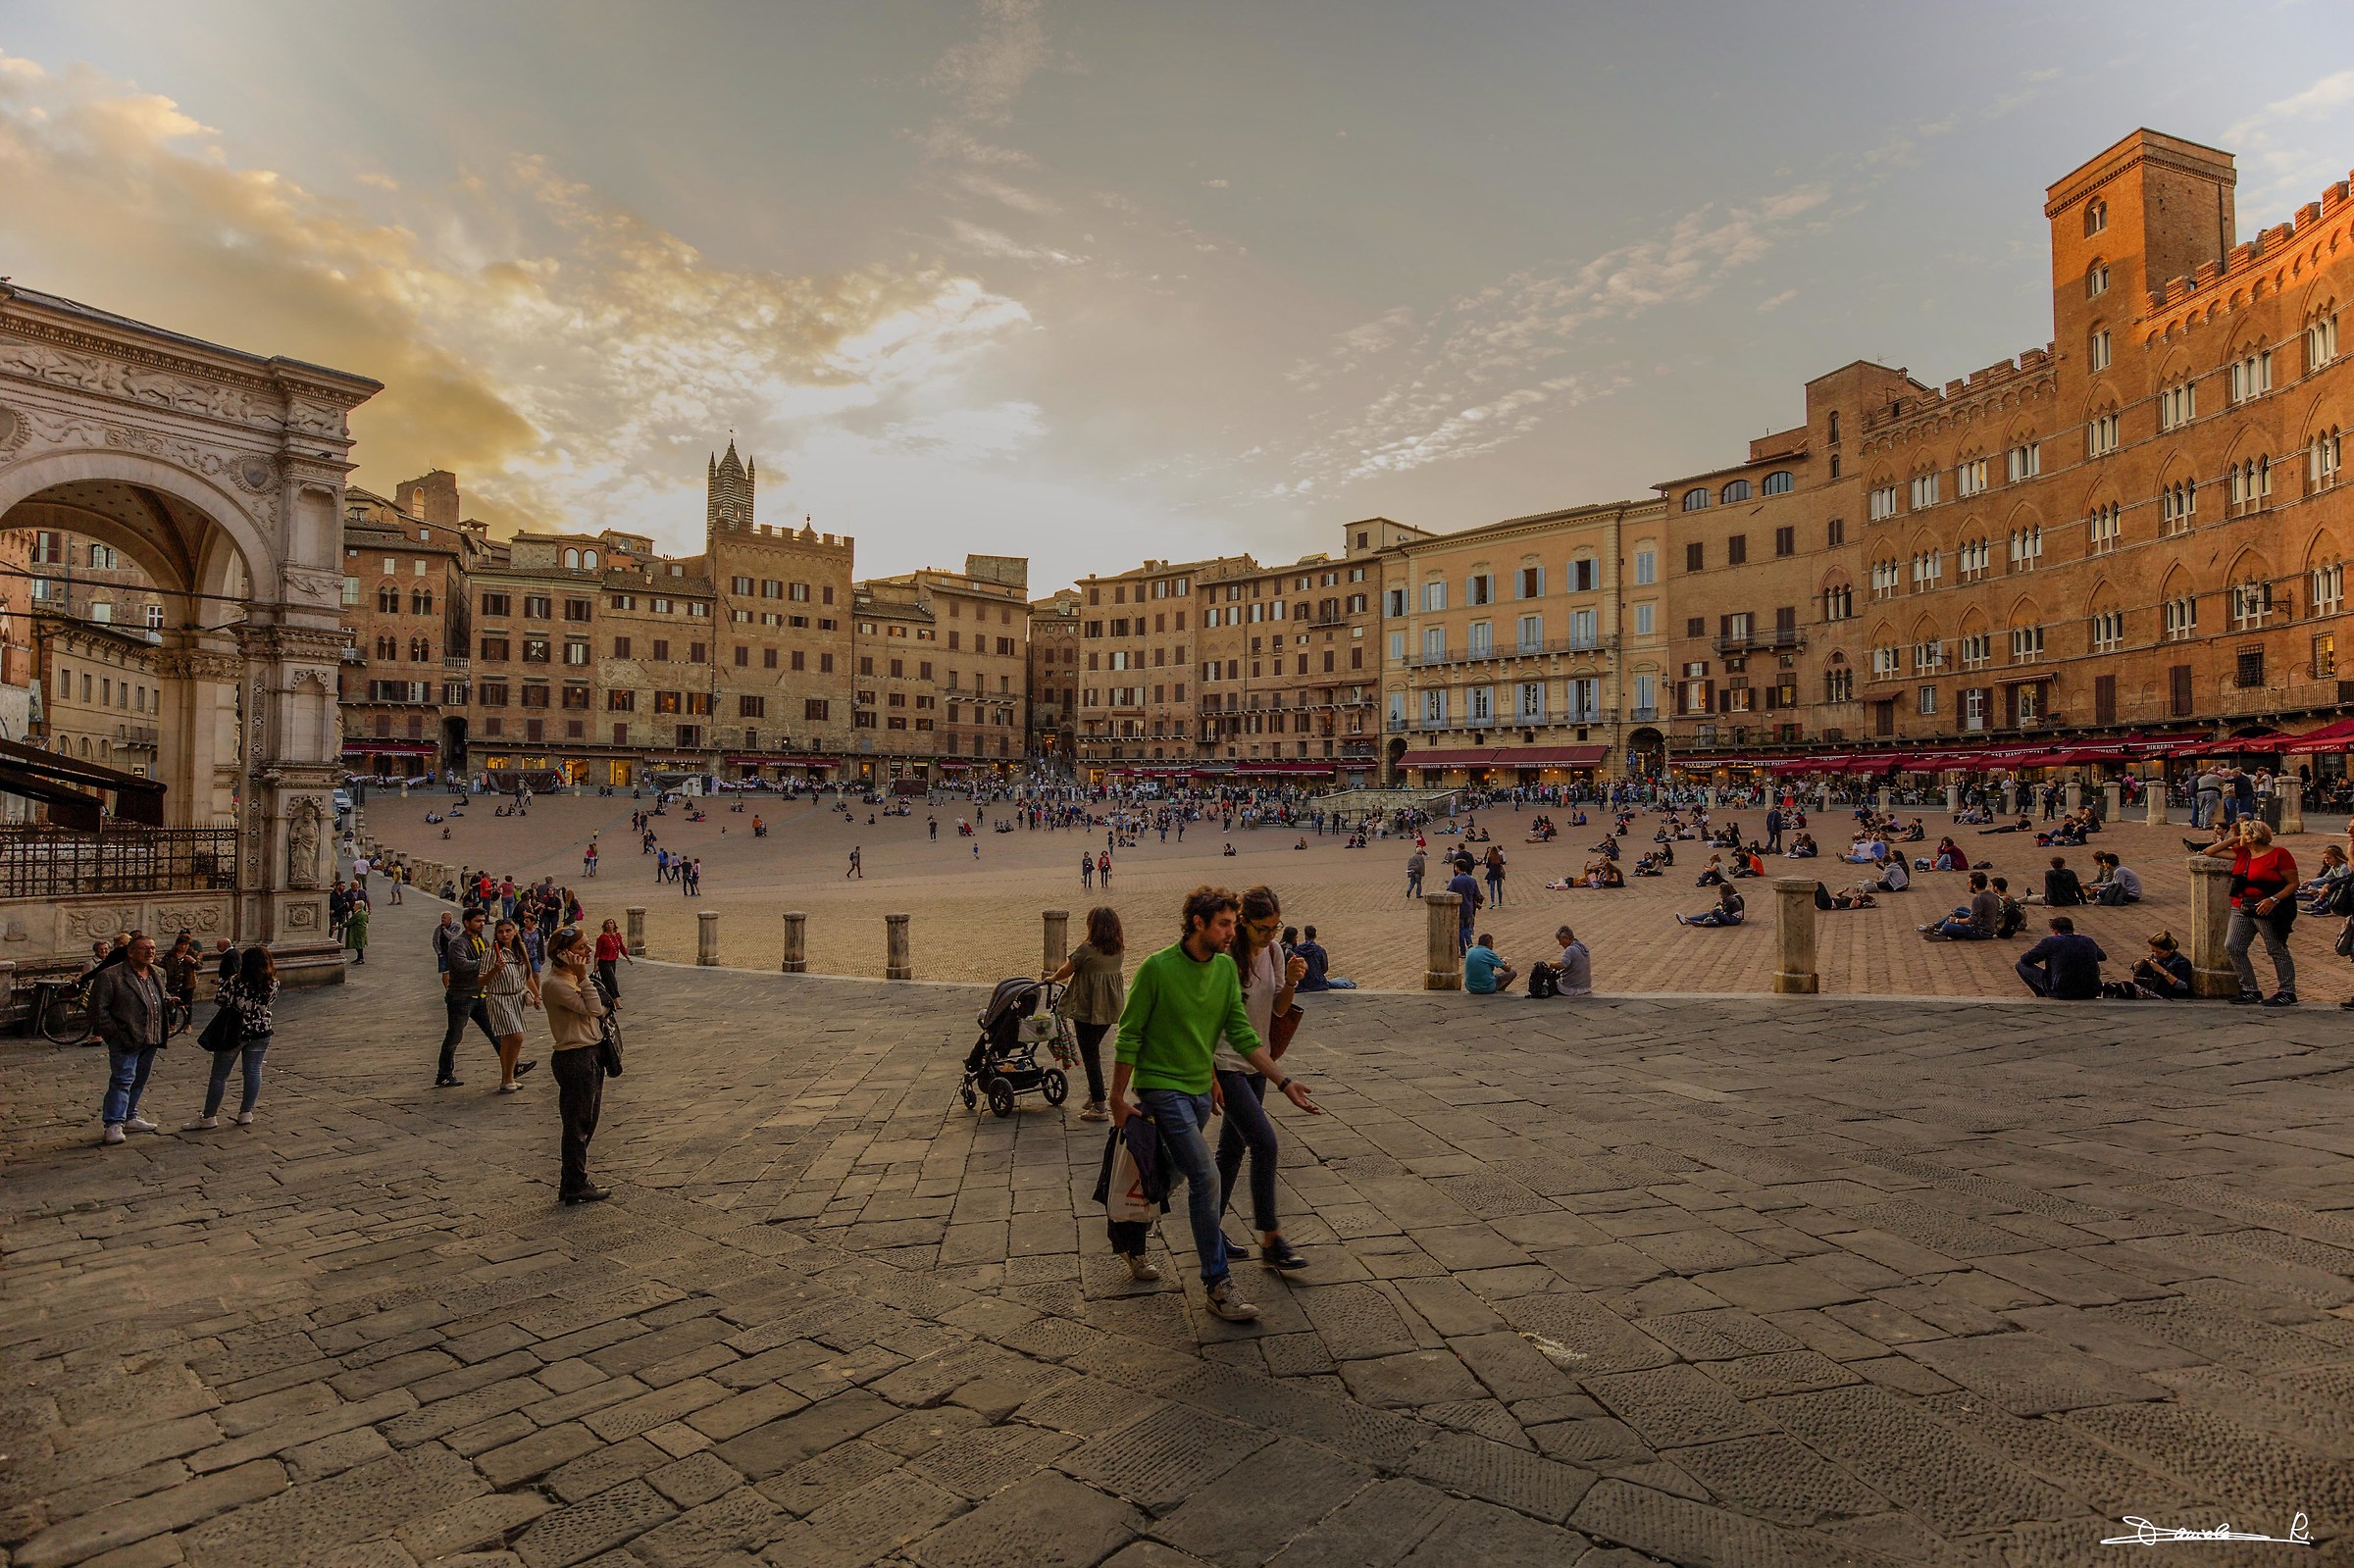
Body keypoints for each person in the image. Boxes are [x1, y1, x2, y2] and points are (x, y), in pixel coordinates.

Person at [1108, 887, 1321, 1324]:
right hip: (1161, 1088)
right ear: (1199, 924)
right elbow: (1129, 1035)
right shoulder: (1156, 968)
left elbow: (1243, 1036)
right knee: (1207, 1174)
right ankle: (1217, 1284)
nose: (1231, 931)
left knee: (1173, 1173)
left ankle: (1131, 1228)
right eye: (1224, 923)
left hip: (1202, 1091)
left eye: (1233, 922)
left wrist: (1283, 1081)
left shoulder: (1225, 969)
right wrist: (1115, 1098)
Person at [1213, 886, 1311, 1275]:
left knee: (1231, 1153)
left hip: (1259, 1061)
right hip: (1226, 1063)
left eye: (1275, 927)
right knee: (1265, 1143)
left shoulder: (1274, 952)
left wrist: (1290, 982)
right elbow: (1208, 1019)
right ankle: (1271, 1239)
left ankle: (1210, 1227)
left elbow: (1278, 1009)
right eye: (1262, 929)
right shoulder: (1224, 959)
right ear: (1242, 922)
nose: (1270, 935)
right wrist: (1208, 1074)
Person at [540, 928, 613, 1204]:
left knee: (587, 1122)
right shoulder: (556, 984)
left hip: (590, 1054)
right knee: (577, 1125)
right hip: (575, 1057)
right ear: (563, 953)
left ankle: (571, 1180)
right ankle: (576, 1183)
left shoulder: (569, 979)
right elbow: (595, 1008)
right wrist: (584, 978)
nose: (588, 952)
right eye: (582, 948)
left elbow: (604, 1004)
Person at [2204, 820, 2299, 1005]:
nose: (2237, 836)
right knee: (2234, 946)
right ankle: (2250, 989)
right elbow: (2210, 851)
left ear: (2253, 836)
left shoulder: (2279, 854)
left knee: (2276, 949)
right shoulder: (2243, 853)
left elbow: (2293, 883)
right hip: (2241, 906)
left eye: (2242, 833)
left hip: (2267, 907)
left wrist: (2274, 899)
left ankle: (2287, 991)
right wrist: (2238, 839)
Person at [89, 932, 169, 1145]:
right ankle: (113, 1123)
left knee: (139, 1078)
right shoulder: (110, 976)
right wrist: (115, 1034)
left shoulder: (158, 973)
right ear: (131, 952)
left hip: (151, 1035)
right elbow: (98, 1010)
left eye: (152, 948)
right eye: (145, 948)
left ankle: (130, 1115)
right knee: (122, 1079)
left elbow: (154, 997)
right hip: (125, 1037)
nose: (150, 952)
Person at [1049, 906, 1127, 1123]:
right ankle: (1095, 1096)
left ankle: (1100, 1104)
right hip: (1110, 1010)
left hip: (1087, 1010)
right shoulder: (1118, 950)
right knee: (1093, 1051)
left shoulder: (1086, 949)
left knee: (1091, 1057)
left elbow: (1067, 970)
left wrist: (1052, 979)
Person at [189, 945, 278, 1130]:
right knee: (253, 1071)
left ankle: (209, 1116)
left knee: (220, 1075)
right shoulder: (273, 983)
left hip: (234, 1031)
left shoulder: (235, 981)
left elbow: (221, 1000)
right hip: (261, 1030)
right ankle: (246, 1112)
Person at [2016, 915, 2107, 999]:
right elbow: (2102, 956)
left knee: (2020, 965)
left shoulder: (2050, 942)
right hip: (2091, 991)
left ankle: (2042, 995)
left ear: (2054, 931)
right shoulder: (2087, 940)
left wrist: (2046, 955)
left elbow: (2025, 959)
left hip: (2062, 991)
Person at [1920, 871, 1999, 940]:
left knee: (1948, 926)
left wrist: (1956, 921)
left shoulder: (1978, 899)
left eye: (1969, 883)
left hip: (1981, 931)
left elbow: (1973, 920)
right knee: (1959, 911)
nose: (1968, 885)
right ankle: (1935, 926)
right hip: (1988, 926)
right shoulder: (1992, 895)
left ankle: (1942, 933)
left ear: (1974, 885)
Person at [2125, 931, 2194, 999]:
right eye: (2153, 951)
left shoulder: (2182, 962)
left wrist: (2162, 971)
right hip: (2152, 990)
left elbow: (2183, 986)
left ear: (2170, 950)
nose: (2155, 954)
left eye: (2159, 952)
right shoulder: (2155, 957)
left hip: (2170, 994)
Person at [1529, 925, 1592, 998]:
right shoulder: (1582, 947)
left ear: (1566, 938)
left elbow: (1562, 964)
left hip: (1572, 988)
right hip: (1586, 987)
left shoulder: (1570, 949)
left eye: (1560, 940)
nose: (1560, 944)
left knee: (1547, 983)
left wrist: (1552, 964)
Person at [1292, 926, 1355, 990]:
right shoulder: (1320, 950)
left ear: (1305, 936)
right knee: (1340, 981)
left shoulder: (1298, 949)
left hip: (1303, 984)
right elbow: (1325, 968)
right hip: (1318, 983)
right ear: (1315, 936)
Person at [1445, 859, 1484, 953]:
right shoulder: (1472, 880)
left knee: (1460, 929)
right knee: (1467, 927)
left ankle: (1462, 950)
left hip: (1459, 908)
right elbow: (1477, 894)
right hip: (1469, 907)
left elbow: (1451, 893)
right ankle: (1470, 943)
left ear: (1457, 868)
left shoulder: (1455, 881)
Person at [593, 918, 631, 999]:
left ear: (614, 925)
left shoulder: (617, 936)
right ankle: (615, 1000)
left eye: (611, 923)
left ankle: (606, 997)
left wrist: (627, 957)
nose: (609, 925)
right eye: (607, 923)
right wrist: (595, 965)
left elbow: (621, 947)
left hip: (612, 961)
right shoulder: (602, 938)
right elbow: (597, 952)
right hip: (603, 962)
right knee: (612, 981)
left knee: (607, 981)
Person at [1676, 884, 1746, 927]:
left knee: (1713, 912)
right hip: (1733, 918)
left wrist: (1716, 911)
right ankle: (1688, 919)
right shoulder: (1730, 898)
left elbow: (1726, 911)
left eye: (1719, 890)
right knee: (1709, 914)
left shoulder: (1728, 899)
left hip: (1733, 919)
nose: (1718, 891)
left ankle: (1689, 920)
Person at [343, 891, 371, 966]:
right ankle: (359, 958)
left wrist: (340, 926)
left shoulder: (359, 914)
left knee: (358, 945)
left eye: (355, 905)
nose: (353, 906)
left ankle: (361, 958)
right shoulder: (362, 913)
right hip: (360, 931)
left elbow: (350, 922)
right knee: (358, 945)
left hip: (358, 931)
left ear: (358, 906)